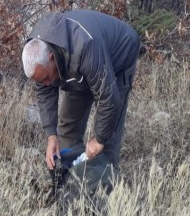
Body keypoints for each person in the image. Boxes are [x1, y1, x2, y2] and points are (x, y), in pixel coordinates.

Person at [22, 9, 140, 173]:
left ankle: (105, 186)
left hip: (119, 53)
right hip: (80, 65)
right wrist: (51, 135)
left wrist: (99, 139)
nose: (48, 84)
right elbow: (44, 91)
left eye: (47, 78)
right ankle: (72, 177)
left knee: (107, 137)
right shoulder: (39, 56)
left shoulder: (85, 45)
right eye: (42, 81)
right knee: (68, 126)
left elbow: (109, 98)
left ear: (51, 57)